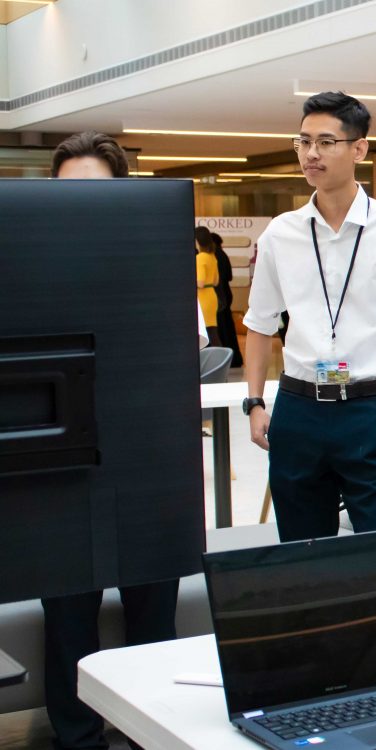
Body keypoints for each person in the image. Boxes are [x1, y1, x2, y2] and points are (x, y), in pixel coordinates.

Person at [241, 92, 376, 542]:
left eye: (326, 142)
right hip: (297, 411)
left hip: (368, 409)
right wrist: (255, 402)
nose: (311, 154)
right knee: (302, 550)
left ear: (359, 148)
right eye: (303, 142)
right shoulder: (282, 233)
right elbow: (259, 323)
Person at [42, 130, 182, 750]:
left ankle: (151, 732)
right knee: (68, 614)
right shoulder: (26, 260)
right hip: (57, 462)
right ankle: (78, 739)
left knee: (153, 613)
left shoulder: (159, 259)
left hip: (149, 459)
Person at [209, 231, 245, 367]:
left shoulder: (213, 256)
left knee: (221, 329)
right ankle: (234, 359)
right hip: (226, 294)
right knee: (227, 328)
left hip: (219, 296)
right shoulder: (223, 255)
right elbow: (229, 276)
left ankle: (225, 360)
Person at [194, 226, 220, 347]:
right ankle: (219, 359)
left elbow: (200, 282)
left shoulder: (199, 258)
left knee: (203, 332)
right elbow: (216, 281)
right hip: (211, 295)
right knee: (211, 330)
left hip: (202, 296)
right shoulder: (212, 256)